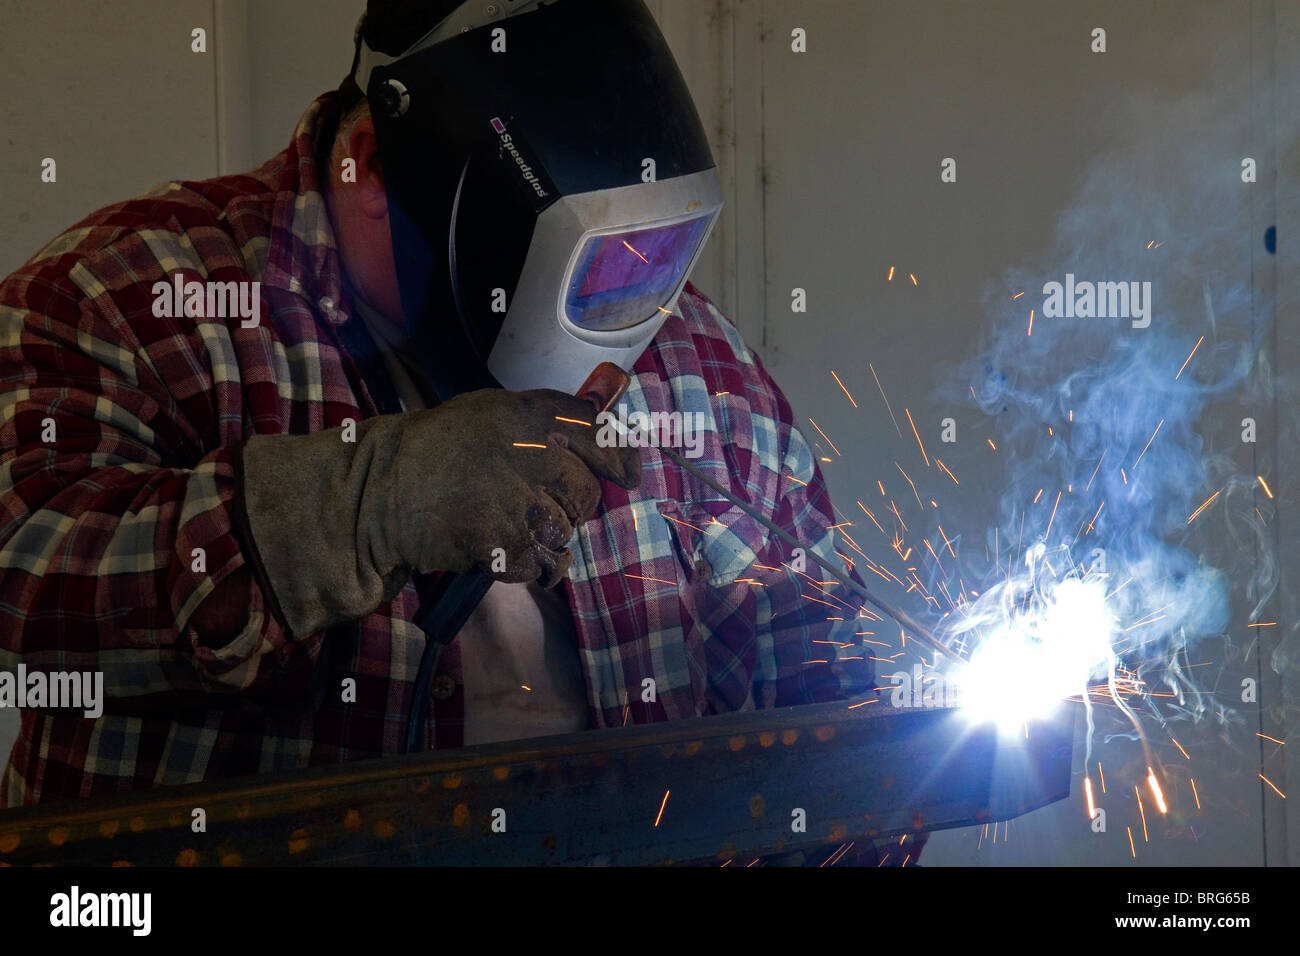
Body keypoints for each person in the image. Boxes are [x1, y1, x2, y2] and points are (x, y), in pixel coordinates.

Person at [0, 0, 871, 808]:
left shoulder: (703, 368)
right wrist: (359, 506)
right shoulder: (133, 297)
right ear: (377, 166)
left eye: (653, 259)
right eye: (589, 264)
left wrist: (898, 775)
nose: (630, 324)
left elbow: (827, 680)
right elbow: (23, 572)